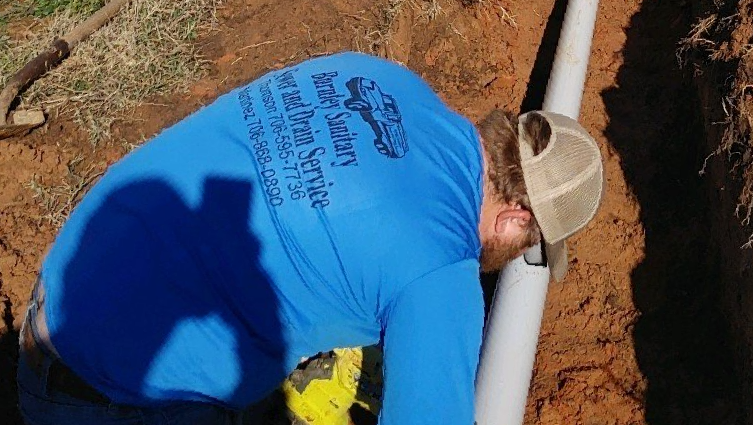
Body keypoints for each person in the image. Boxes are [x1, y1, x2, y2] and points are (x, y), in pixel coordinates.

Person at [17, 52, 604, 425]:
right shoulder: (439, 277)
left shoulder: (383, 79)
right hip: (107, 393)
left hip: (64, 285)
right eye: (528, 244)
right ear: (514, 220)